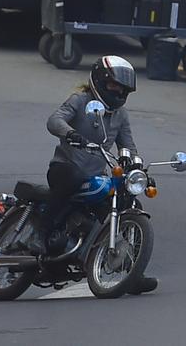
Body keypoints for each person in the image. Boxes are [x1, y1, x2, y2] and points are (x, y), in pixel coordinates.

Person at [43, 55, 157, 294]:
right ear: (100, 80)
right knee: (71, 178)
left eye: (123, 88)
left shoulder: (120, 114)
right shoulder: (81, 100)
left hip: (95, 176)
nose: (118, 91)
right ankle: (44, 235)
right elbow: (55, 120)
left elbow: (128, 146)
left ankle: (131, 270)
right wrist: (70, 133)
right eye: (114, 85)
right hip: (66, 167)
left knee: (128, 200)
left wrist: (136, 166)